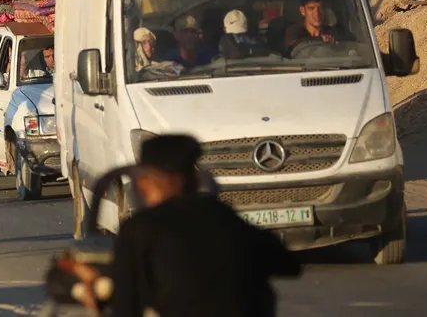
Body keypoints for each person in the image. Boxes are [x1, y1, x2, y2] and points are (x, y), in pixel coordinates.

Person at [109, 134, 301, 317]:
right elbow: (289, 265)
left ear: (145, 183)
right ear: (195, 180)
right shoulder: (222, 215)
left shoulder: (139, 228)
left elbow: (126, 307)